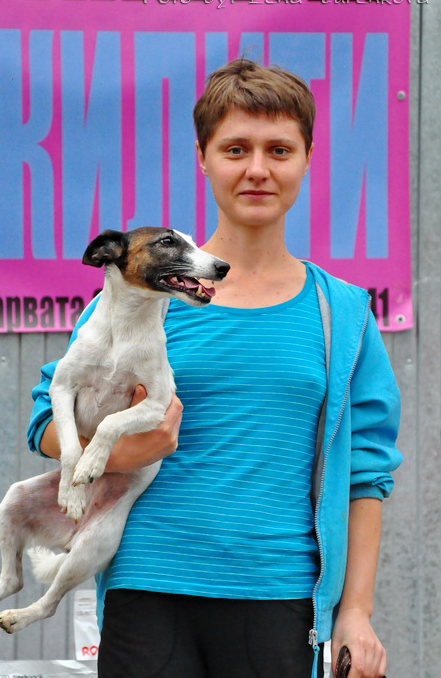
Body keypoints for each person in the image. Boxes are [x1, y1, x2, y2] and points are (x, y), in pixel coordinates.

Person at [28, 59, 402, 678]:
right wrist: (120, 450)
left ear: (307, 158)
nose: (257, 169)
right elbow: (47, 419)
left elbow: (366, 473)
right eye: (235, 149)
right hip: (147, 589)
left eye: (278, 149)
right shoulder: (139, 296)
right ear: (202, 157)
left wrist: (355, 613)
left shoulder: (341, 314)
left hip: (281, 598)